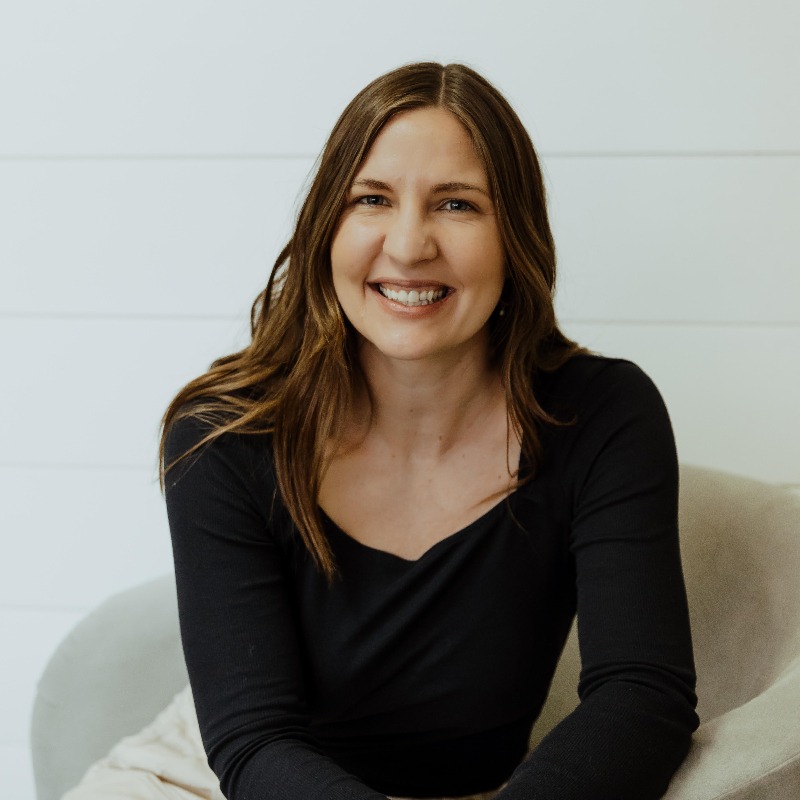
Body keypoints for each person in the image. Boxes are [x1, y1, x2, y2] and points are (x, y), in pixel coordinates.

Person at [160, 62, 699, 800]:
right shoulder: (224, 435)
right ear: (327, 226)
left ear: (516, 235)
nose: (409, 245)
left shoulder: (603, 413)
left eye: (456, 203)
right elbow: (254, 742)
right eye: (371, 198)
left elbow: (642, 695)